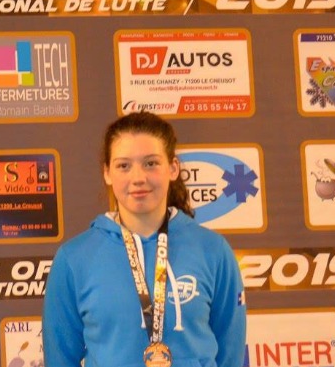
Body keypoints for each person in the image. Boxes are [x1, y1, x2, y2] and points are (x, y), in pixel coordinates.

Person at [42, 111, 246, 367]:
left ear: (173, 168)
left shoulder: (213, 250)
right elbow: (60, 358)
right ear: (107, 173)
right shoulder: (75, 258)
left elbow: (230, 353)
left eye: (151, 163)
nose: (138, 178)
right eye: (123, 166)